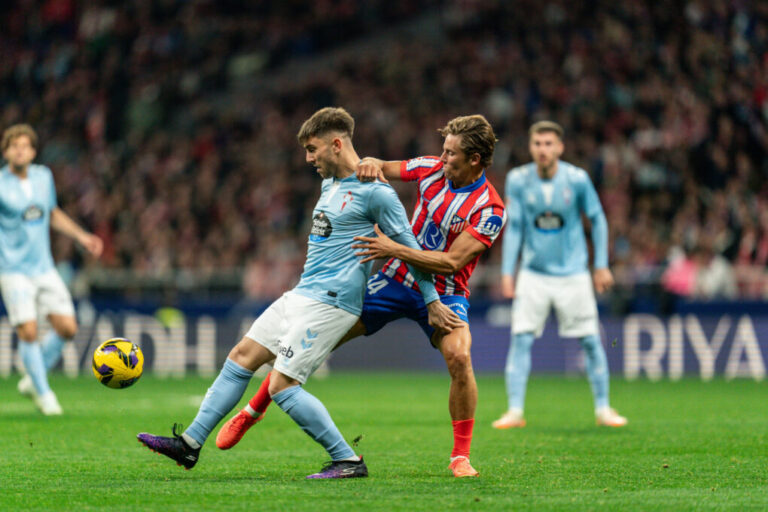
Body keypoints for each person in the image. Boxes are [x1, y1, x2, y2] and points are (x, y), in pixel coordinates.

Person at [136, 107, 462, 479]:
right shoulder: (330, 184)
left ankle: (349, 461)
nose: (308, 158)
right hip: (302, 293)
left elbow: (411, 248)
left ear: (336, 144)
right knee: (242, 356)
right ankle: (190, 444)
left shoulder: (377, 194)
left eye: (313, 149)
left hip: (333, 302)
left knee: (282, 385)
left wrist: (431, 300)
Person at [217, 114, 506, 478]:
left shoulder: (490, 209)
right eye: (443, 149)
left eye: (450, 153)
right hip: (395, 281)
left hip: (445, 291)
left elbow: (451, 262)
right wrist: (371, 163)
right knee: (317, 332)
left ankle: (460, 457)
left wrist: (393, 248)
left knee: (460, 356)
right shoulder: (430, 169)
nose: (442, 157)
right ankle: (253, 410)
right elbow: (383, 166)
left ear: (475, 159)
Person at [492, 121, 627, 429]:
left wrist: (602, 264)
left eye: (549, 143)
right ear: (530, 147)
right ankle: (514, 411)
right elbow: (514, 228)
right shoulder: (517, 179)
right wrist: (507, 272)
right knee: (521, 339)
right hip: (533, 274)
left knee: (591, 341)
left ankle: (604, 408)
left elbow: (597, 218)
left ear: (560, 147)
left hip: (574, 274)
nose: (543, 149)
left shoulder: (577, 179)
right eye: (538, 143)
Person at [0, 124, 103, 415]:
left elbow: (53, 213)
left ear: (33, 151)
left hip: (44, 267)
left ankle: (34, 377)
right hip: (12, 270)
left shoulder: (43, 176)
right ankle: (45, 395)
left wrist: (82, 236)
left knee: (68, 328)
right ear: (6, 151)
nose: (20, 150)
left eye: (25, 145)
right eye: (14, 145)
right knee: (29, 331)